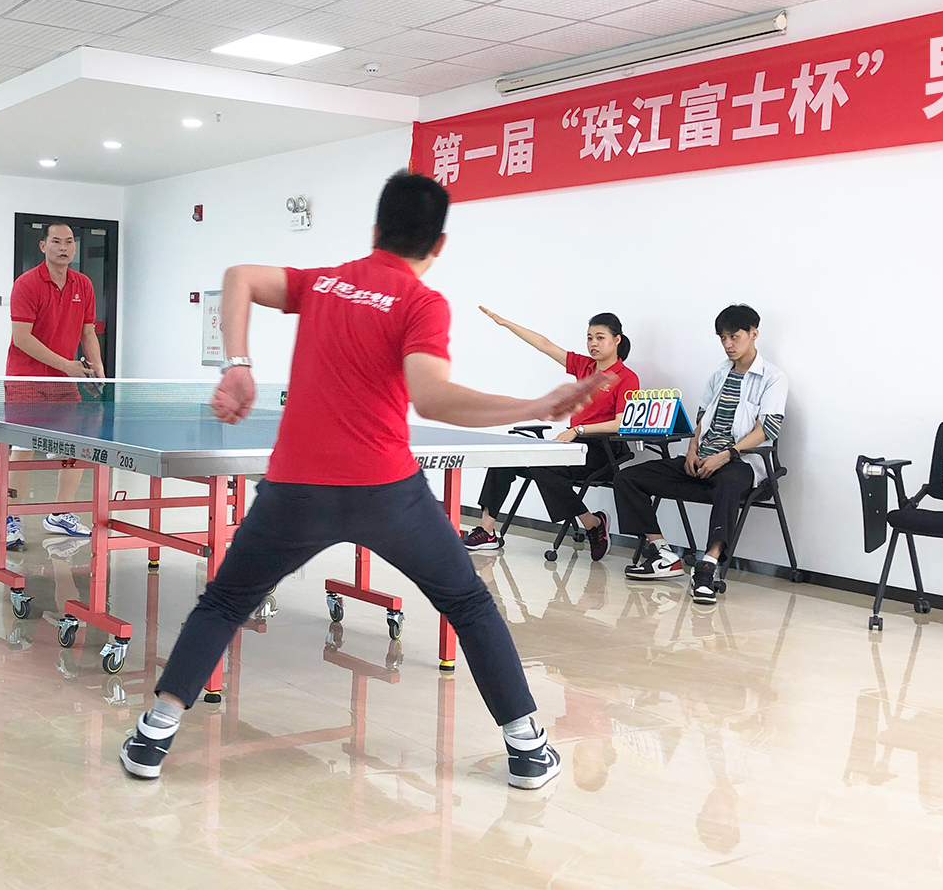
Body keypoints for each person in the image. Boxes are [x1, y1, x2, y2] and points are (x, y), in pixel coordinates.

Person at [120, 172, 611, 789]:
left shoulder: (325, 282)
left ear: (375, 229)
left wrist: (238, 366)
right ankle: (528, 749)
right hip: (387, 493)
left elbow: (239, 276)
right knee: (467, 603)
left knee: (224, 602)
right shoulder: (422, 302)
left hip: (296, 489)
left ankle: (154, 736)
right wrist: (534, 406)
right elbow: (431, 399)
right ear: (439, 245)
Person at [614, 304, 787, 604]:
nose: (728, 344)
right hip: (702, 459)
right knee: (627, 477)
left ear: (753, 334)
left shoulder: (772, 378)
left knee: (729, 483)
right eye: (723, 338)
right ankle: (662, 553)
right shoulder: (719, 374)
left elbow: (765, 430)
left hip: (741, 462)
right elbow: (701, 419)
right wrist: (692, 449)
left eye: (734, 337)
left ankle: (708, 565)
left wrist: (726, 455)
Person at [462, 309, 641, 562]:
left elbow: (622, 423)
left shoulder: (627, 378)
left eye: (600, 338)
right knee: (506, 457)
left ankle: (592, 523)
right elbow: (545, 345)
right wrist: (506, 323)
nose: (593, 343)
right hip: (572, 445)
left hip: (603, 450)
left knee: (541, 466)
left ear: (617, 340)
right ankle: (487, 531)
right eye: (589, 338)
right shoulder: (585, 366)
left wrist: (578, 430)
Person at [4, 222, 104, 548]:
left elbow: (88, 332)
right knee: (23, 450)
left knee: (75, 449)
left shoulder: (83, 284)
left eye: (69, 242)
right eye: (57, 241)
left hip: (64, 382)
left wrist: (98, 370)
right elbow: (22, 338)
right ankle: (11, 517)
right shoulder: (27, 284)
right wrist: (68, 366)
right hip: (26, 380)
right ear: (43, 246)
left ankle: (61, 514)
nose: (64, 247)